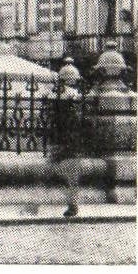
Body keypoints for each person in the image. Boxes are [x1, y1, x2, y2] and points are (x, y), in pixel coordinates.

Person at [52, 80, 84, 218]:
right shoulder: (73, 117)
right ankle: (72, 205)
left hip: (70, 154)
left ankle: (73, 206)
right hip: (71, 153)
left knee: (70, 181)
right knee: (70, 181)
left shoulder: (70, 118)